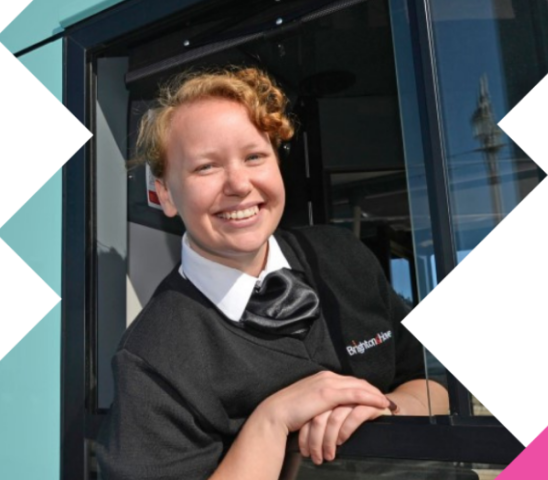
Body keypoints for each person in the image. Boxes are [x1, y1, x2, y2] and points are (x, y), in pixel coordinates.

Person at [96, 67, 448, 480]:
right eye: (206, 167)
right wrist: (271, 421)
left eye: (254, 157)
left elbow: (438, 383)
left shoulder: (341, 256)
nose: (239, 184)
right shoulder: (152, 356)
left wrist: (382, 408)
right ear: (164, 195)